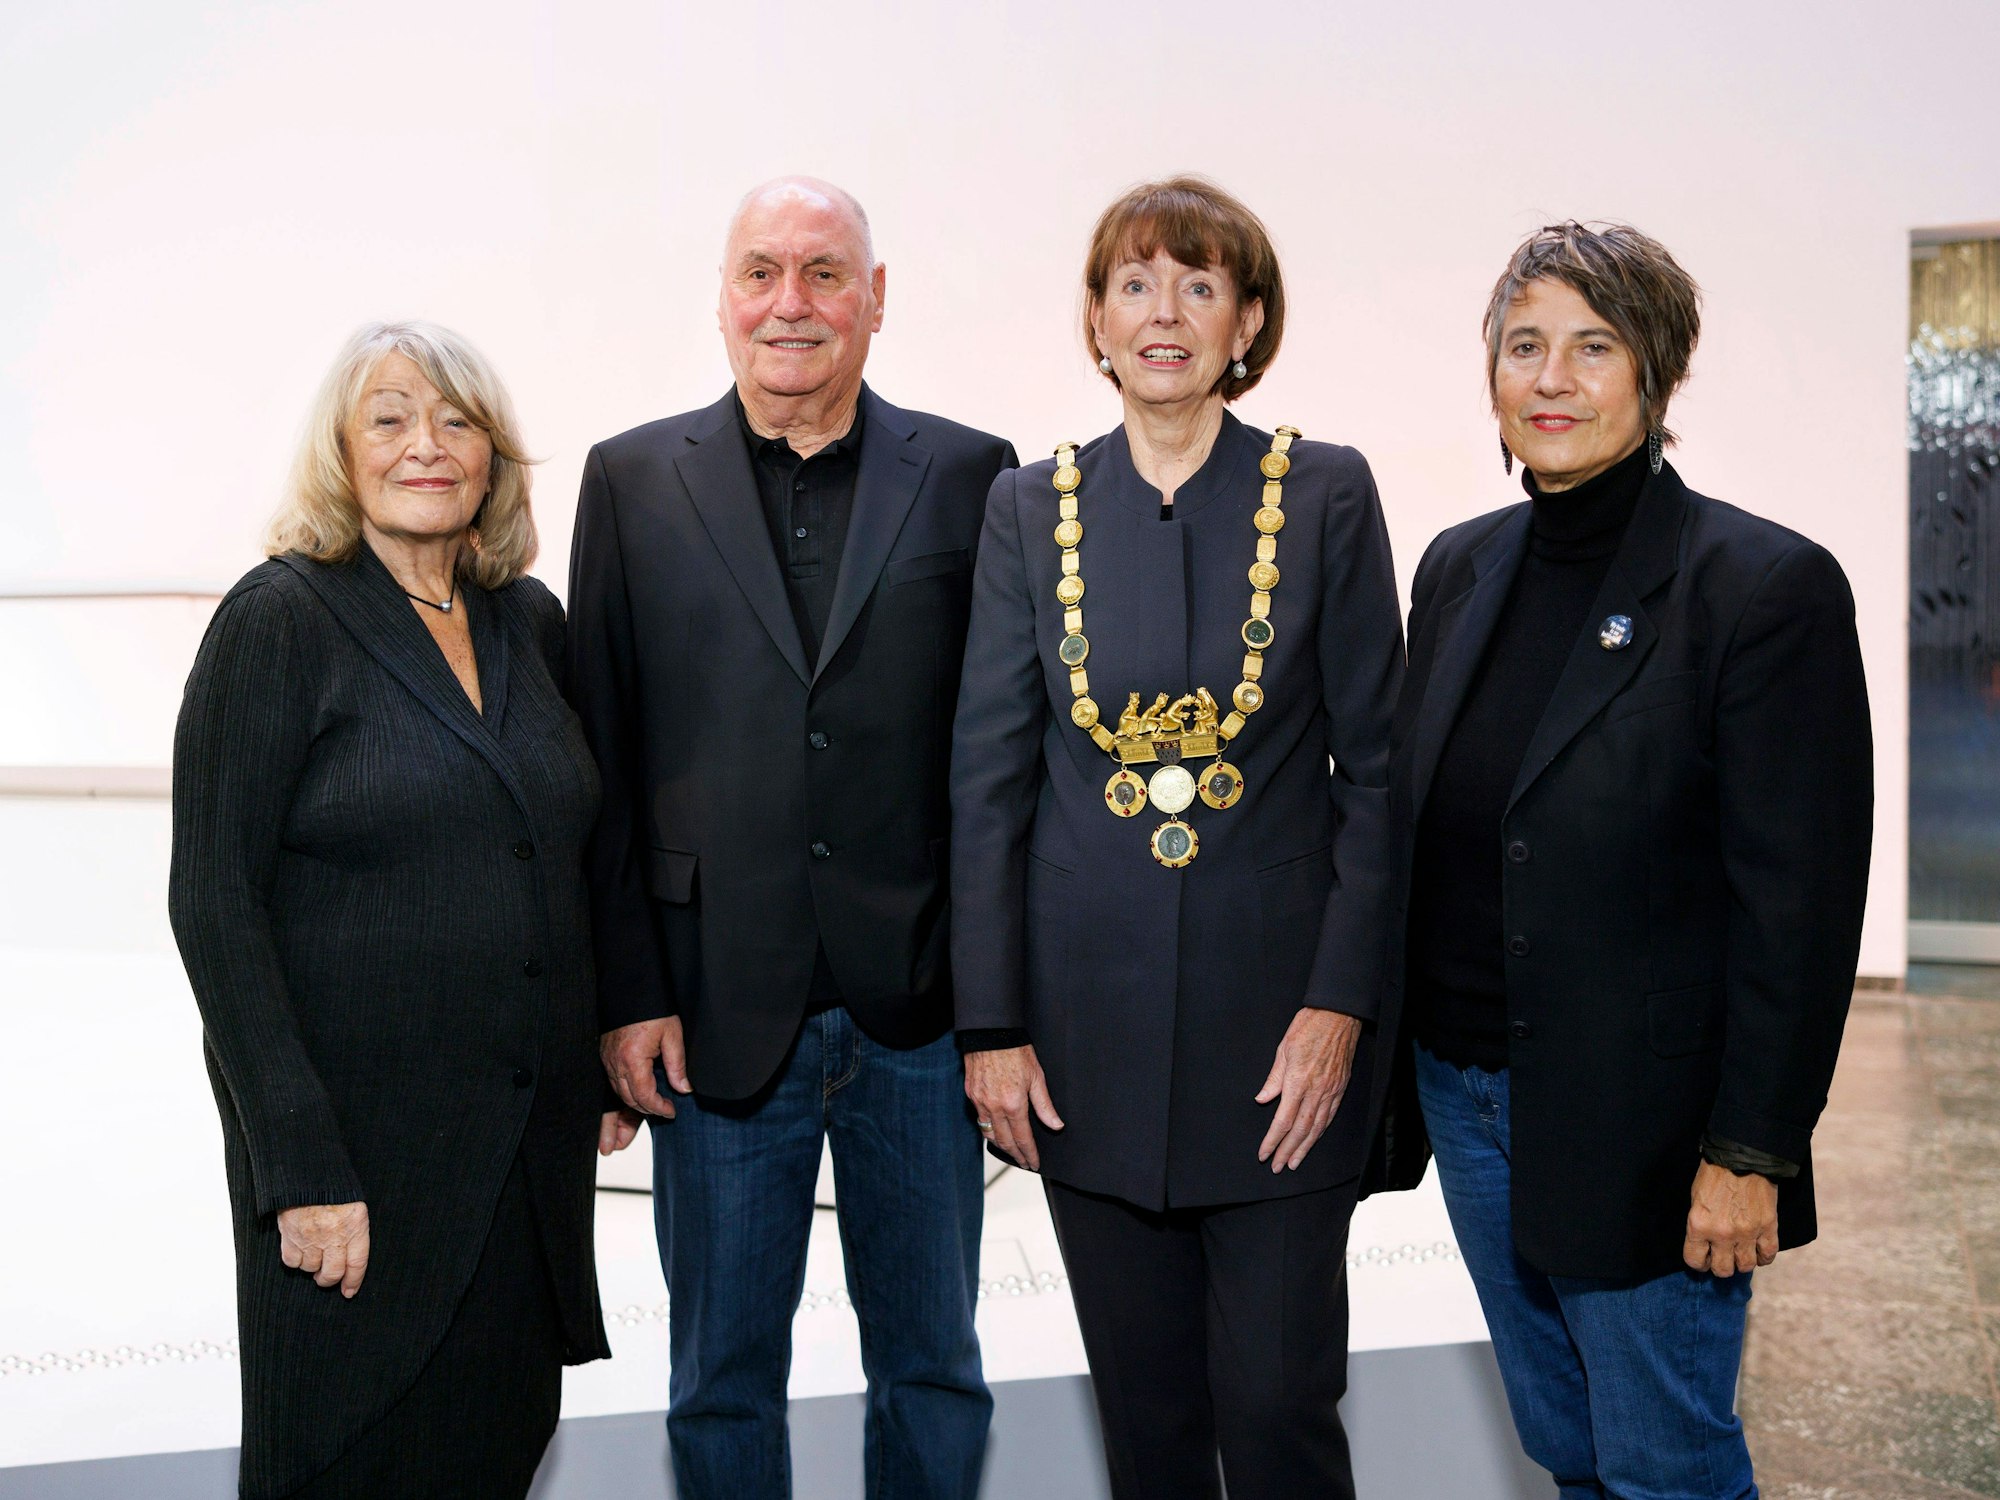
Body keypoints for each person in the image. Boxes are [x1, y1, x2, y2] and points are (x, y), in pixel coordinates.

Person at [1391, 222, 1873, 1499]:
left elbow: (1799, 910)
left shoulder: (1760, 587)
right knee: (1565, 1447)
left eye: (1591, 347)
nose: (1550, 378)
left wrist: (1750, 1151)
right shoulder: (1457, 568)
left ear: (1656, 373)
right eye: (1522, 346)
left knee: (1664, 1464)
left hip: (1646, 1124)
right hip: (1464, 1092)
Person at [951, 176, 1405, 1500]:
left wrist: (1339, 1008)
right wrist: (992, 1026)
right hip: (1081, 1045)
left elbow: (1379, 777)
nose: (1165, 313)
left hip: (1280, 1051)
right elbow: (986, 783)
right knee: (1146, 1431)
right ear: (1096, 319)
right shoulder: (1028, 508)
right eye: (1136, 285)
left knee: (1276, 1413)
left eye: (1200, 287)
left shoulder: (1322, 492)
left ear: (1246, 322)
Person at [566, 177, 1018, 1500]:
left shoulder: (973, 475)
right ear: (721, 299)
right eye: (761, 271)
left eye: (825, 274)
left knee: (934, 1369)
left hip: (918, 1017)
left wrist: (999, 1006)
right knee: (719, 1382)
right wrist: (627, 994)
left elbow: (999, 761)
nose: (790, 303)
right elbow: (603, 766)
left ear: (875, 300)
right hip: (710, 1019)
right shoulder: (630, 480)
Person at [169, 321, 627, 1500]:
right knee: (348, 1462)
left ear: (492, 457)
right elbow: (214, 901)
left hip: (521, 1167)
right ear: (341, 451)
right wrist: (300, 1166)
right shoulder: (279, 619)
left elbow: (559, 854)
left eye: (456, 420)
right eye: (390, 418)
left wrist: (593, 1052)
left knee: (495, 1453)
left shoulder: (526, 620)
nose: (425, 444)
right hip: (355, 1174)